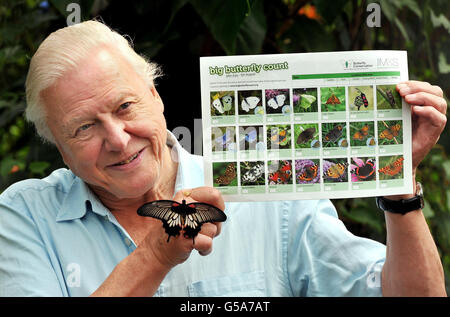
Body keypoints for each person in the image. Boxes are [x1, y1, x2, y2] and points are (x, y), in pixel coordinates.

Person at [0, 20, 447, 297]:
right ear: (59, 147)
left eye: (124, 107)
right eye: (84, 128)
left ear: (155, 96)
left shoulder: (271, 190)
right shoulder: (24, 216)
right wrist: (156, 255)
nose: (117, 139)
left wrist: (397, 184)